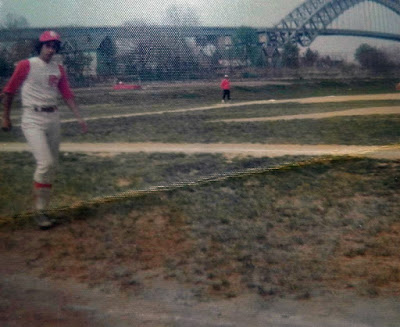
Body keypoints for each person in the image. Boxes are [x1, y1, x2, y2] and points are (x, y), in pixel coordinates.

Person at [1, 30, 88, 229]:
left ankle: (44, 210)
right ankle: (40, 211)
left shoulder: (58, 69)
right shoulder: (26, 65)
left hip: (53, 117)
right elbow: (9, 90)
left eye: (54, 46)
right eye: (47, 45)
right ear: (39, 46)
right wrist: (5, 117)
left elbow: (67, 94)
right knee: (45, 163)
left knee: (51, 167)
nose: (51, 49)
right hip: (32, 118)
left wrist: (79, 118)